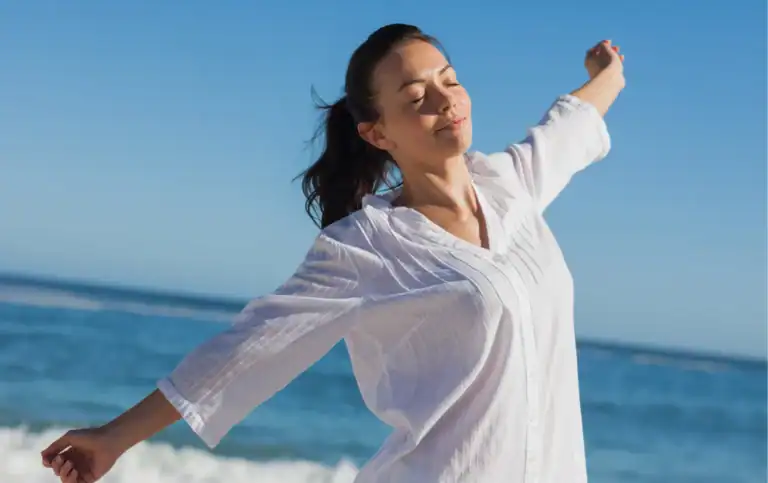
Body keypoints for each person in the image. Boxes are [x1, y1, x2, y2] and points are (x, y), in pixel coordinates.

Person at [40, 23, 625, 483]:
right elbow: (249, 349)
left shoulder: (510, 185)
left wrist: (607, 73)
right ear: (377, 134)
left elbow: (569, 123)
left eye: (450, 80)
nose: (445, 101)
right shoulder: (366, 246)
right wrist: (115, 436)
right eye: (417, 96)